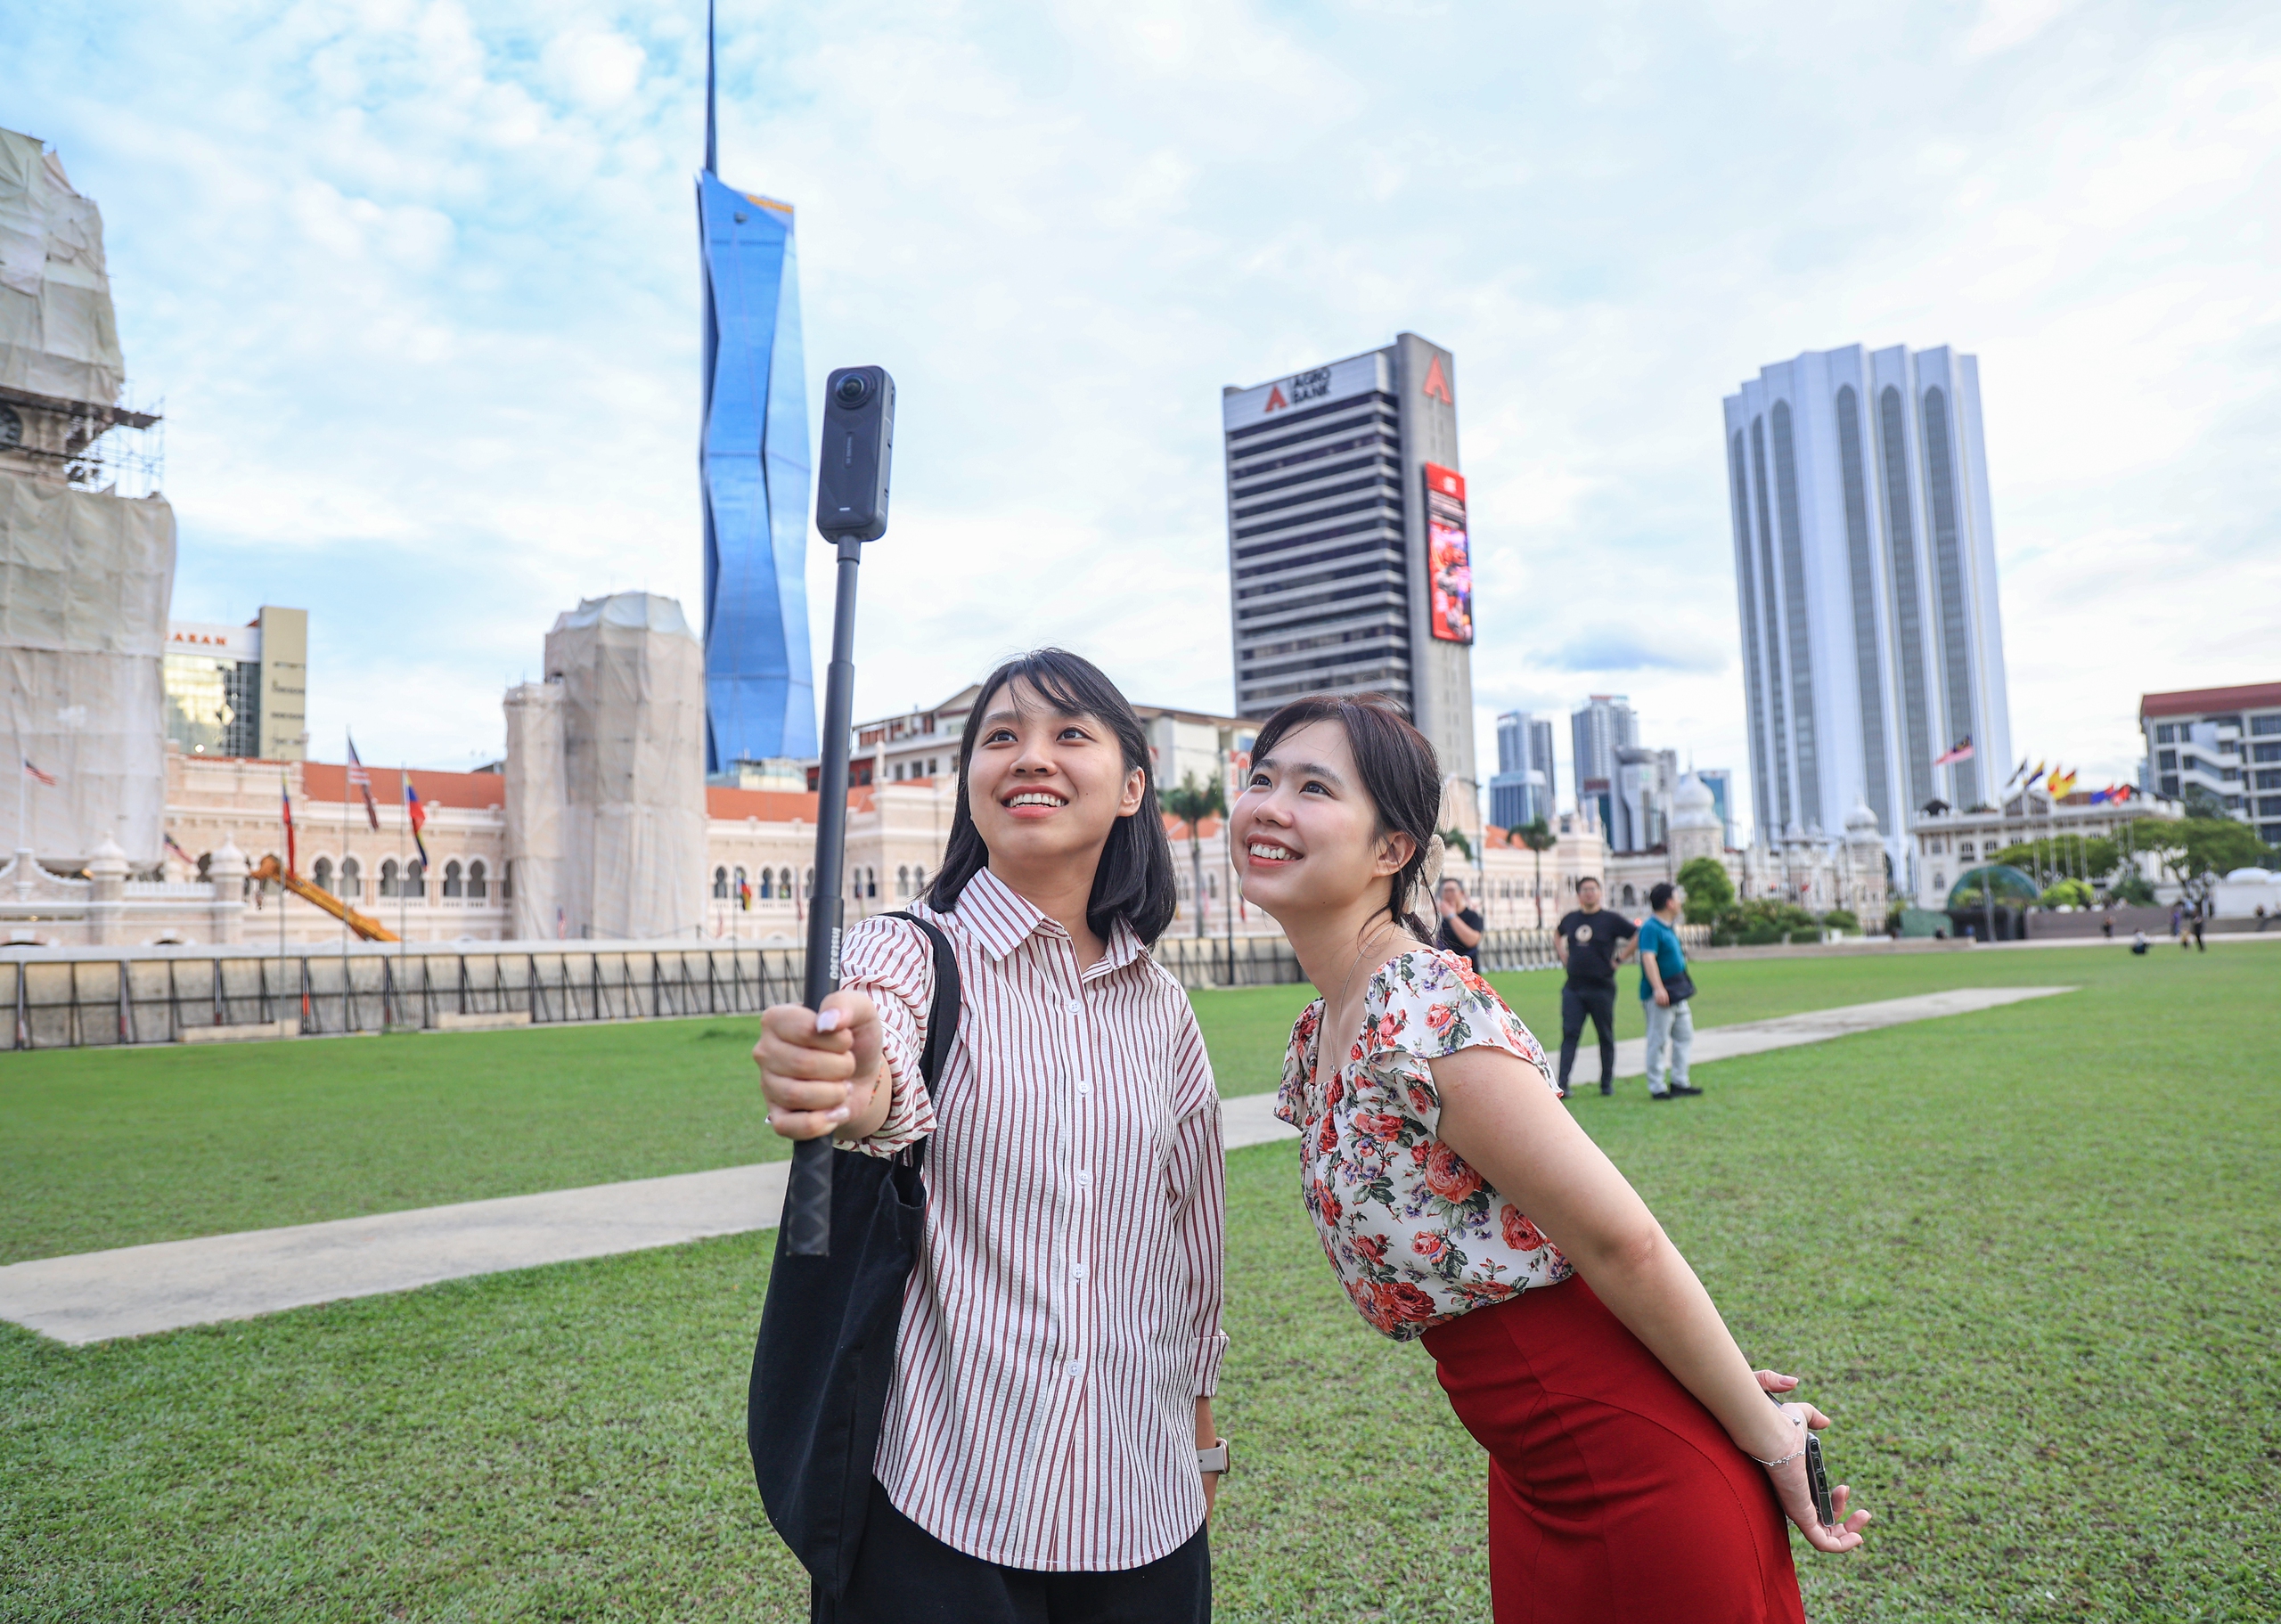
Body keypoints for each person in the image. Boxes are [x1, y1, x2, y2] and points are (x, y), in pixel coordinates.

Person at [1229, 693, 1868, 1624]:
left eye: (1314, 786)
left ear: (1390, 848)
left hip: (1636, 1477)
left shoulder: (1421, 1010)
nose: (1270, 804)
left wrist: (1765, 1435)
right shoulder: (1328, 1024)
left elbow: (1623, 1242)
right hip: (1535, 1477)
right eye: (1261, 778)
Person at [756, 649, 1227, 1624]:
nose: (1029, 757)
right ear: (969, 781)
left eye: (1068, 735)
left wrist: (1202, 1426)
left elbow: (1193, 1240)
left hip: (1142, 1500)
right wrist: (849, 1076)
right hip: (943, 1498)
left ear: (1133, 784)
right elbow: (876, 1057)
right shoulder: (910, 947)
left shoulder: (1163, 1007)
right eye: (1001, 736)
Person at [1554, 875, 1635, 1098]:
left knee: (1605, 1035)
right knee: (1570, 1034)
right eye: (1585, 889)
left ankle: (1606, 1083)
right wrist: (1563, 955)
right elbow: (1557, 933)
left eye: (1593, 889)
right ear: (1579, 895)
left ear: (1600, 893)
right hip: (1574, 988)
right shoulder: (1571, 919)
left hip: (1601, 987)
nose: (1589, 893)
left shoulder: (1610, 919)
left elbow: (1636, 934)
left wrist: (1620, 959)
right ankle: (1562, 1083)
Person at [1638, 881, 1701, 1100]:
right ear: (1669, 902)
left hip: (1678, 993)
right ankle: (1657, 1086)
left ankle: (1679, 1080)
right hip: (1661, 994)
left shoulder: (1668, 927)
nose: (1680, 902)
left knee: (1685, 1035)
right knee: (1659, 1040)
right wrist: (1658, 988)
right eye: (1677, 898)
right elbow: (1647, 957)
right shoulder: (1650, 928)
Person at [1435, 875, 1485, 973]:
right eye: (1445, 891)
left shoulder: (1472, 916)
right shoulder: (1441, 919)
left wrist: (1452, 916)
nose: (1449, 894)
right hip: (1447, 972)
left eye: (1452, 890)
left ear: (1461, 893)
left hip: (1468, 972)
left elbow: (1472, 941)